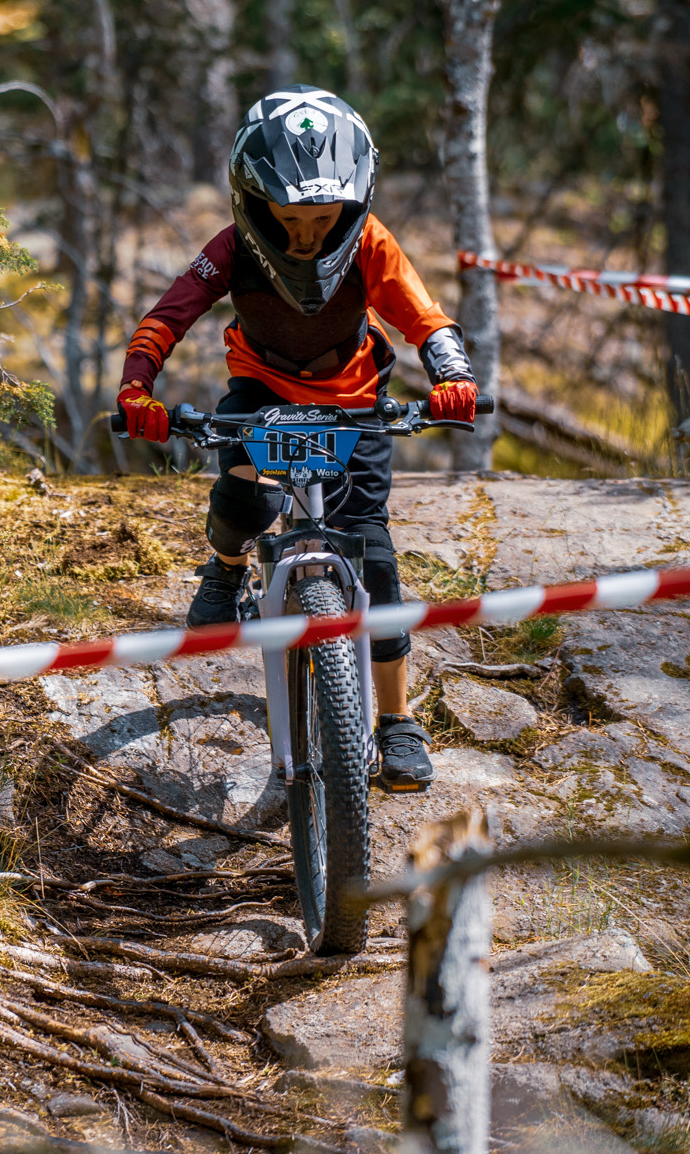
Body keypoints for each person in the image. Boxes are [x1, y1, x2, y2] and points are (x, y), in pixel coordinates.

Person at [115, 86, 479, 794]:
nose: (308, 236)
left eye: (323, 218)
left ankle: (397, 722)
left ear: (352, 204)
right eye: (289, 219)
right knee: (244, 500)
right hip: (263, 393)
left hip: (353, 399)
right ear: (255, 205)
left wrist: (454, 376)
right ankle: (226, 569)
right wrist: (136, 389)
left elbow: (424, 317)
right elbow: (167, 316)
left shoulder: (370, 241)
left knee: (375, 558)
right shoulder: (232, 249)